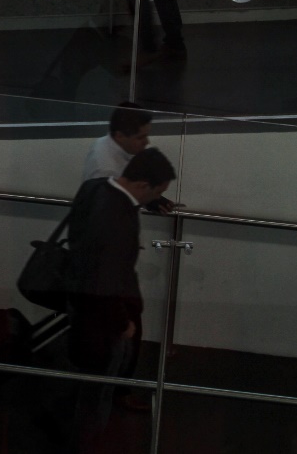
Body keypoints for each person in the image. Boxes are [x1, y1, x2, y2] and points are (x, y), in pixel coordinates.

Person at [66, 147, 177, 423]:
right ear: (142, 184)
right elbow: (104, 280)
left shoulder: (95, 187)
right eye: (154, 192)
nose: (154, 199)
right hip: (104, 318)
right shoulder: (116, 218)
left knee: (90, 386)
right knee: (98, 394)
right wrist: (122, 322)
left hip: (81, 303)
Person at [82, 102, 182, 216]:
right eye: (140, 137)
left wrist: (152, 197)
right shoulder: (105, 170)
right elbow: (107, 217)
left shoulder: (114, 144)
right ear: (120, 136)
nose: (147, 142)